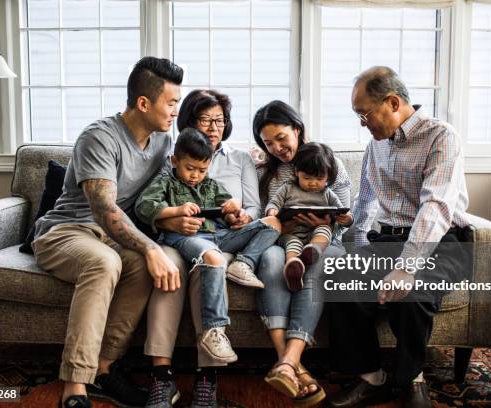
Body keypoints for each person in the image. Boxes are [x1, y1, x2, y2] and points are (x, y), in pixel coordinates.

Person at [31, 57, 183, 408]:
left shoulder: (162, 142)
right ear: (144, 103)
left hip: (112, 237)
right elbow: (104, 209)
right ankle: (75, 387)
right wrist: (150, 247)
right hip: (67, 231)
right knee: (104, 263)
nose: (176, 111)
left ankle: (103, 369)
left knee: (139, 267)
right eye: (171, 103)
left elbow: (170, 185)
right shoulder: (99, 137)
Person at [327, 66, 471, 408]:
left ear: (392, 102)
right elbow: (365, 202)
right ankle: (370, 377)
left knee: (412, 296)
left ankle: (411, 380)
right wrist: (356, 253)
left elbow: (435, 207)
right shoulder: (375, 146)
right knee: (338, 280)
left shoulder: (441, 136)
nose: (363, 123)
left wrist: (407, 266)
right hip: (386, 241)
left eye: (364, 114)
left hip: (440, 241)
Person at [142, 89, 263, 408]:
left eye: (219, 120)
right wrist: (171, 221)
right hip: (176, 235)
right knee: (169, 271)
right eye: (205, 119)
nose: (213, 126)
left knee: (211, 266)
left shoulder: (239, 159)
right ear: (188, 122)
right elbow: (151, 203)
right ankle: (161, 377)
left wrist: (240, 216)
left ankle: (207, 377)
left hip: (220, 238)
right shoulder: (168, 153)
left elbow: (254, 207)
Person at [135, 128, 281, 367]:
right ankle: (213, 332)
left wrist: (235, 214)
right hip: (185, 238)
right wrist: (175, 211)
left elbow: (228, 215)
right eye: (189, 168)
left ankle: (244, 262)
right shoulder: (165, 181)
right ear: (174, 161)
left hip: (220, 235)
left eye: (202, 170)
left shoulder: (211, 185)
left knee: (272, 223)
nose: (195, 176)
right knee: (215, 260)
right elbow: (144, 206)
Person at [252, 100, 351, 407]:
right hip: (285, 240)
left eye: (281, 138)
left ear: (297, 129)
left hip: (325, 241)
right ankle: (295, 367)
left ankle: (288, 361)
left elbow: (345, 215)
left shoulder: (326, 159)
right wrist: (281, 223)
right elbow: (264, 218)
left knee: (315, 263)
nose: (277, 148)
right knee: (269, 259)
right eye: (268, 144)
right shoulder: (271, 172)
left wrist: (327, 222)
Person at [265, 142, 353, 292]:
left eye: (319, 179)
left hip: (316, 231)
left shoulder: (327, 193)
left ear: (328, 176)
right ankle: (293, 267)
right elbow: (273, 203)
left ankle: (313, 251)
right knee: (291, 244)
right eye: (307, 178)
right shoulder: (287, 188)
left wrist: (348, 219)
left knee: (324, 229)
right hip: (292, 233)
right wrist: (272, 211)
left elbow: (343, 211)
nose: (313, 183)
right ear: (296, 171)